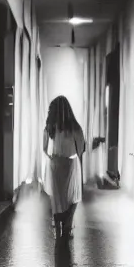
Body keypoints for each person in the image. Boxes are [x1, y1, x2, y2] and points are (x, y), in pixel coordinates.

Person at [42, 95, 85, 239]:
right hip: (71, 164)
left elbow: (44, 149)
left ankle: (58, 225)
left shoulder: (50, 127)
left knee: (57, 198)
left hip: (55, 164)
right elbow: (81, 149)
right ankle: (68, 224)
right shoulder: (75, 127)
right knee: (72, 197)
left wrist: (52, 157)